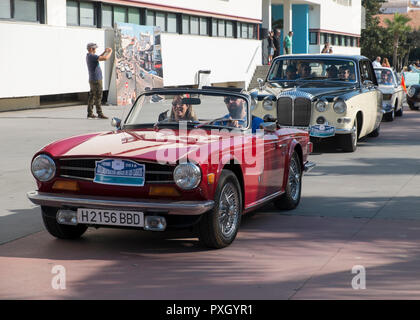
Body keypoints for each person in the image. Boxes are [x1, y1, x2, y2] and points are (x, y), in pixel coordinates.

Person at [86, 43, 112, 119]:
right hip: (96, 79)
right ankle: (99, 113)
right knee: (98, 96)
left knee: (92, 96)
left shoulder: (89, 56)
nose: (95, 50)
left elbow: (99, 57)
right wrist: (110, 52)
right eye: (94, 49)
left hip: (93, 79)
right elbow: (105, 58)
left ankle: (90, 113)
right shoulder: (91, 56)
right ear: (91, 49)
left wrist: (104, 52)